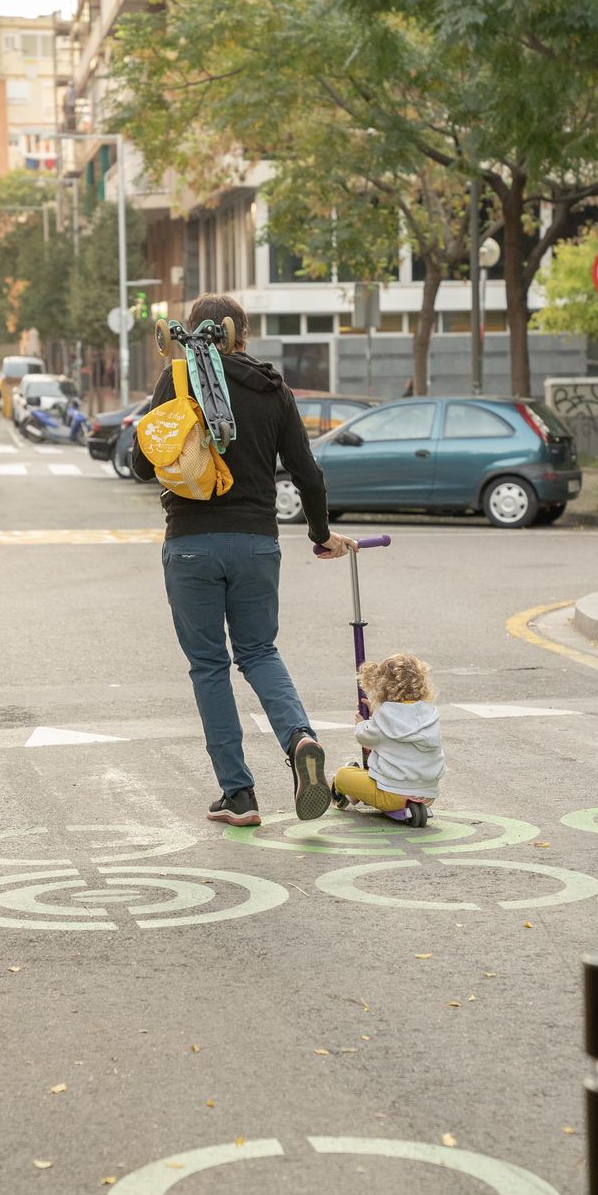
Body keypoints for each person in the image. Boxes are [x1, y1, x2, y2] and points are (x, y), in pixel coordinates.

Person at [131, 292, 357, 827]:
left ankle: (239, 795)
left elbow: (142, 464)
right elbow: (308, 474)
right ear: (242, 335)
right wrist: (320, 534)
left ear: (189, 333)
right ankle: (300, 738)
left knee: (209, 666)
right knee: (258, 652)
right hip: (257, 541)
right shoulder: (272, 388)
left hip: (190, 542)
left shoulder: (178, 379)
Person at [331, 653, 445, 820]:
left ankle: (350, 792)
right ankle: (362, 793)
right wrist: (377, 714)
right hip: (427, 795)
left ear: (382, 686)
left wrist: (362, 724)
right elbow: (400, 728)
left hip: (391, 794)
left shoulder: (385, 715)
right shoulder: (429, 713)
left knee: (343, 775)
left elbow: (365, 738)